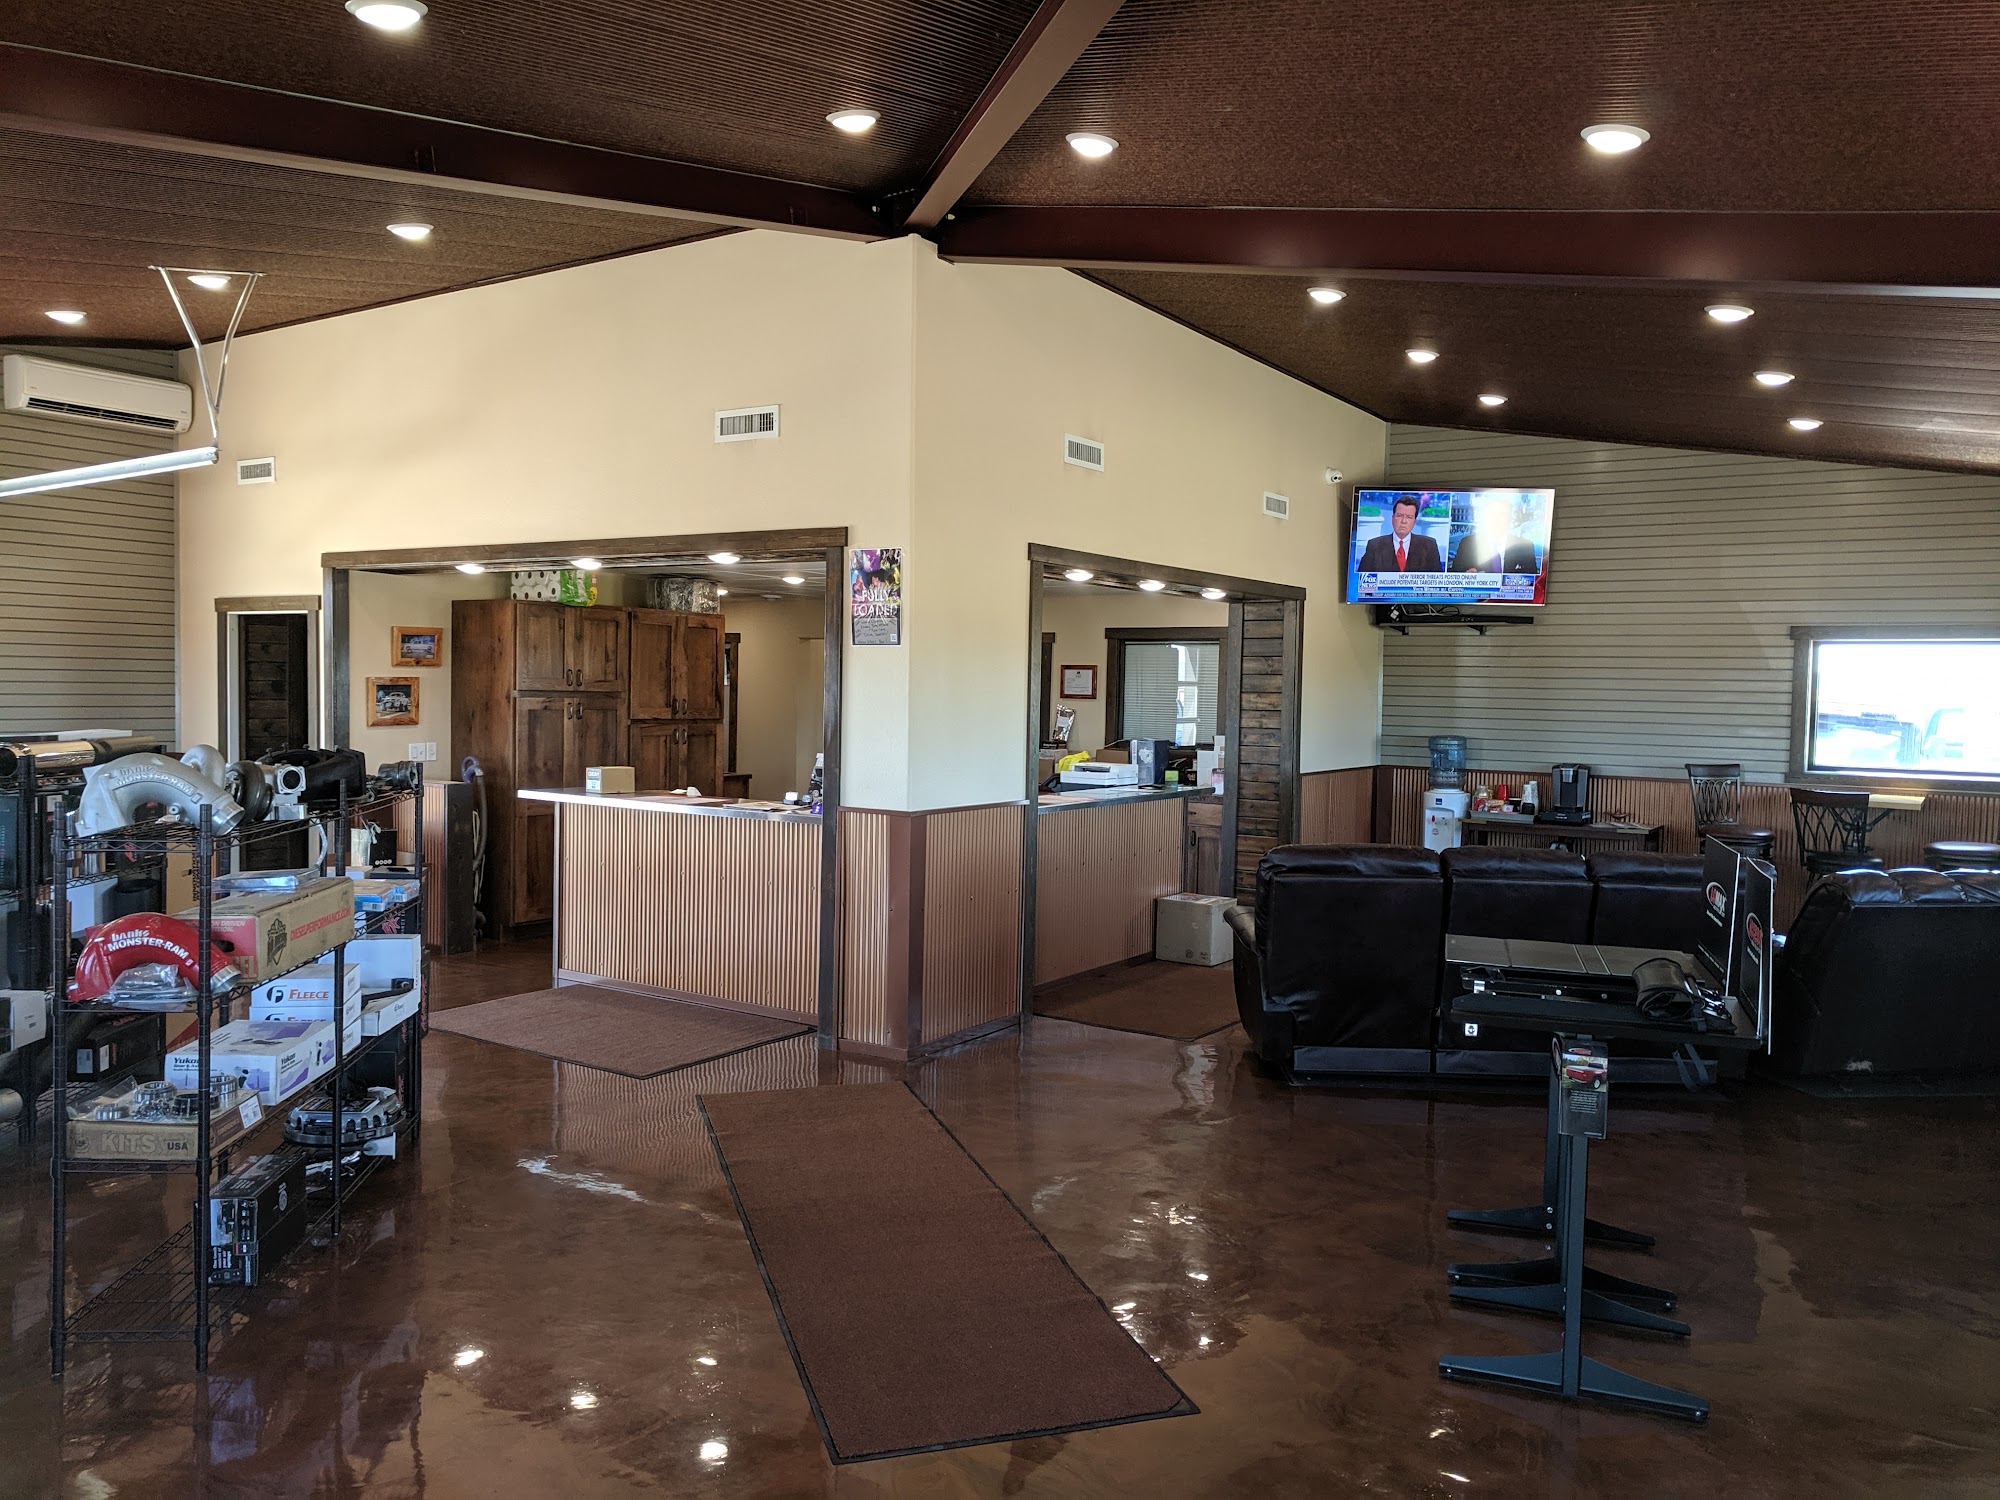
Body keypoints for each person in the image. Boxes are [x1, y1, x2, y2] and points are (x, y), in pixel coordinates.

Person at [1357, 495, 1442, 572]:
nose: (1403, 521)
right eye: (1399, 516)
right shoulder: (1374, 546)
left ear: (1414, 522)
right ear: (1392, 519)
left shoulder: (1429, 545)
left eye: (1409, 517)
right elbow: (1360, 579)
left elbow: (1437, 579)